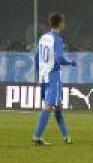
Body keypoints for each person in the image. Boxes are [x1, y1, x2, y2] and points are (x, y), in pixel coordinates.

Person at [31, 12, 76, 146]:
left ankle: (66, 136)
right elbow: (60, 59)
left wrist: (39, 74)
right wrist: (71, 62)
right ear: (60, 23)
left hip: (44, 75)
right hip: (53, 76)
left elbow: (36, 57)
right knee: (49, 106)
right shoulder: (57, 39)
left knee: (58, 105)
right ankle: (37, 137)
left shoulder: (43, 37)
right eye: (63, 21)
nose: (64, 24)